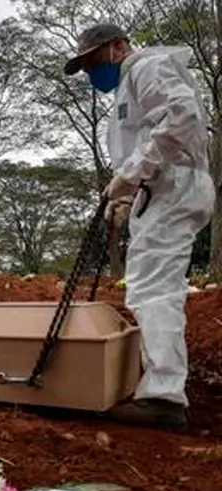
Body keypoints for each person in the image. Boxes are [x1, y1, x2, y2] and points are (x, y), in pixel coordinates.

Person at [64, 24, 214, 427]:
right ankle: (161, 383)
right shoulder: (129, 89)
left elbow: (181, 114)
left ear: (118, 46)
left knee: (153, 287)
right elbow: (148, 140)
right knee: (149, 283)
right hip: (163, 191)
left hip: (174, 187)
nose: (94, 74)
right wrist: (125, 198)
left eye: (95, 62)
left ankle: (164, 396)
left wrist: (131, 175)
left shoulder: (147, 67)